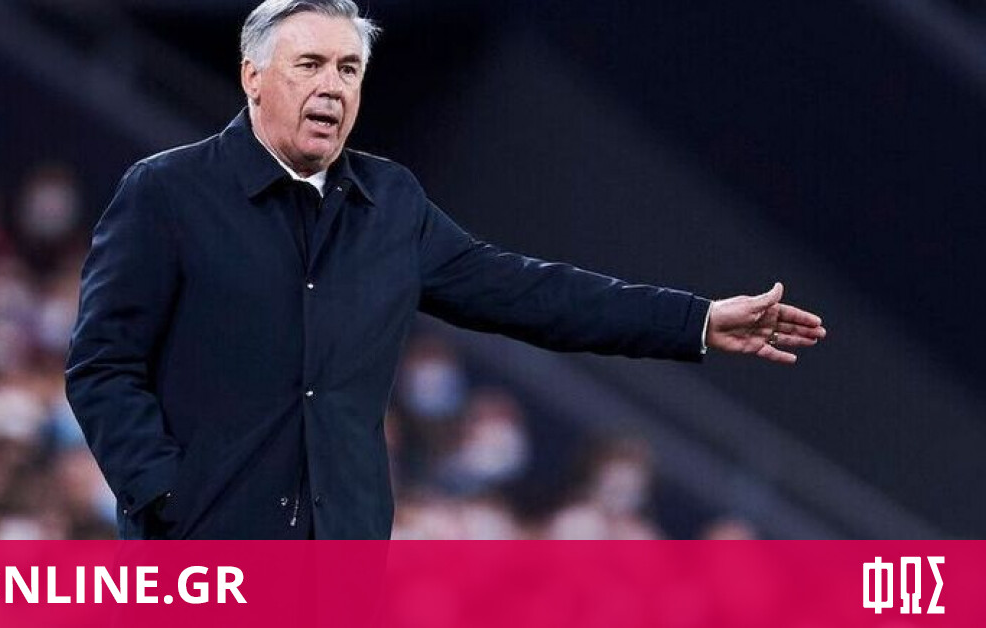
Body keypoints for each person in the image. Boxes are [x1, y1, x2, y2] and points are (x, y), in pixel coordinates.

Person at [64, 0, 826, 540]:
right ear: (253, 77)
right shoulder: (166, 192)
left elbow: (528, 293)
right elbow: (102, 366)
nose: (333, 86)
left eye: (349, 69)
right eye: (310, 65)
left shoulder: (390, 202)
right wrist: (165, 495)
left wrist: (695, 320)